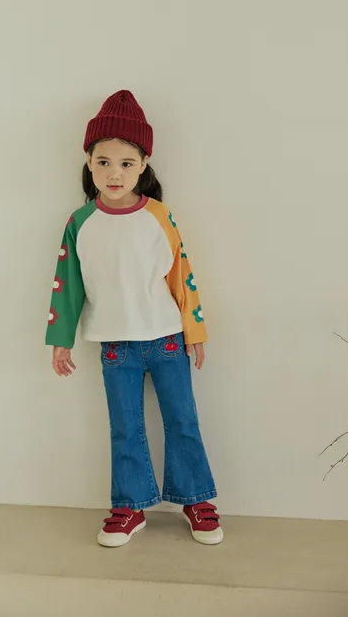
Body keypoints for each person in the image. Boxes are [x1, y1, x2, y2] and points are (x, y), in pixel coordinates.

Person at [46, 90, 222, 548]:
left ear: (143, 164)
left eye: (126, 163)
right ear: (88, 163)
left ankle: (197, 499)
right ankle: (129, 506)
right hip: (115, 346)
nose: (114, 173)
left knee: (182, 421)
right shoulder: (80, 222)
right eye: (103, 162)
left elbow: (182, 275)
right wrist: (61, 339)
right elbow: (67, 284)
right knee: (124, 428)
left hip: (167, 339)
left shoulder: (159, 216)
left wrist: (195, 331)